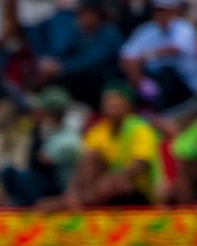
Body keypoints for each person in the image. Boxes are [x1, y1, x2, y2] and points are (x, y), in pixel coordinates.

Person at [43, 81, 164, 210]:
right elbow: (84, 163)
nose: (110, 107)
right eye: (107, 103)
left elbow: (139, 164)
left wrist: (111, 180)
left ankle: (75, 203)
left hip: (138, 191)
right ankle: (75, 201)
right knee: (91, 157)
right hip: (102, 189)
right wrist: (71, 191)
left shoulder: (140, 128)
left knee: (117, 183)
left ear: (128, 106)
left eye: (115, 103)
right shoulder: (100, 130)